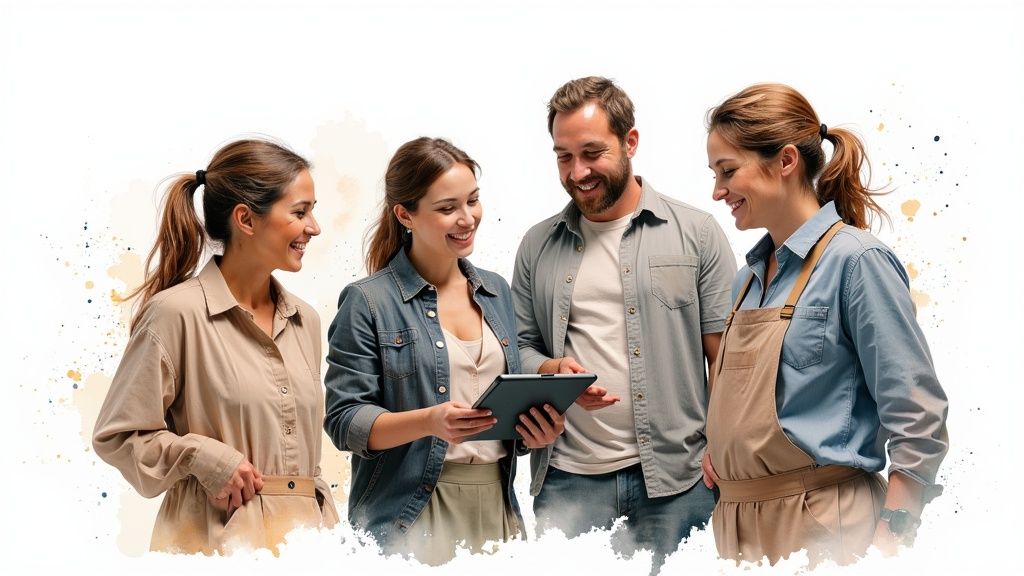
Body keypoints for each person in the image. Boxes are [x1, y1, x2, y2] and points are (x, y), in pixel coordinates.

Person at [702, 83, 950, 565]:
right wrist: (723, 450)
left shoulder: (857, 263)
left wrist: (890, 544)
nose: (717, 191)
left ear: (786, 161)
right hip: (737, 530)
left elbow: (919, 421)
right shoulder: (745, 283)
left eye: (728, 171)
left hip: (823, 528)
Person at [512, 76, 737, 567]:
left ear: (630, 142)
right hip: (568, 481)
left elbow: (726, 357)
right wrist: (552, 372)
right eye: (563, 156)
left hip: (681, 481)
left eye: (592, 153)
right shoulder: (536, 245)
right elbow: (520, 346)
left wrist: (722, 450)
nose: (578, 171)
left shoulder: (696, 232)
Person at [323, 137, 564, 565]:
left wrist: (532, 435)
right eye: (447, 207)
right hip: (410, 510)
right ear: (405, 214)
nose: (467, 218)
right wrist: (430, 422)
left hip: (496, 503)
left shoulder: (495, 292)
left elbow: (496, 414)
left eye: (473, 200)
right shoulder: (368, 301)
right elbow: (345, 421)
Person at [92, 138, 339, 554]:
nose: (314, 227)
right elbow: (117, 435)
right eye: (300, 212)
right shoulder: (175, 314)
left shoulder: (305, 320)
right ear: (246, 219)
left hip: (309, 543)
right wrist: (201, 457)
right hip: (214, 544)